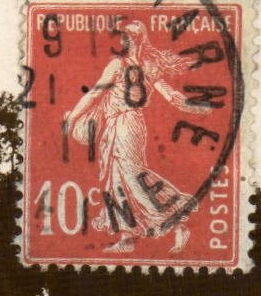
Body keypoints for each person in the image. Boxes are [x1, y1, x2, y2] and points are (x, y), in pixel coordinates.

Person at [63, 19, 213, 253]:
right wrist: (199, 107)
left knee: (131, 176)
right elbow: (173, 97)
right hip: (130, 124)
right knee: (118, 178)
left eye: (124, 36)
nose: (120, 40)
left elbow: (93, 95)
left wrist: (72, 118)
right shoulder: (150, 67)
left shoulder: (117, 64)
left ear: (132, 40)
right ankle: (128, 237)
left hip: (122, 123)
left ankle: (178, 221)